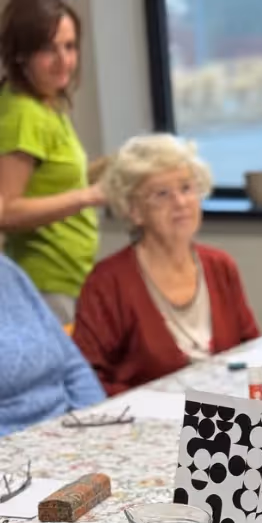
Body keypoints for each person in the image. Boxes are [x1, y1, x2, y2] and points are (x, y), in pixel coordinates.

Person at [73, 134, 260, 395]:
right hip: (146, 416)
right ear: (134, 210)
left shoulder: (220, 266)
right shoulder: (107, 283)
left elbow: (252, 350)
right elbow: (88, 378)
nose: (180, 203)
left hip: (226, 411)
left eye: (186, 188)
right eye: (162, 194)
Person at [0, 0, 106, 324]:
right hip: (46, 283)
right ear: (21, 54)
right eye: (49, 49)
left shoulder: (47, 103)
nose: (64, 61)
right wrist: (88, 196)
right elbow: (6, 211)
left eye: (70, 47)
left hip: (69, 278)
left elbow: (51, 182)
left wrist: (110, 171)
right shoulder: (24, 113)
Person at [0, 191, 104, 437]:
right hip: (17, 446)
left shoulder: (8, 271)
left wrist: (96, 424)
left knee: (194, 449)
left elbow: (73, 365)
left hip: (69, 432)